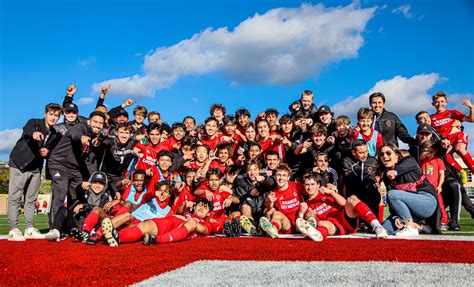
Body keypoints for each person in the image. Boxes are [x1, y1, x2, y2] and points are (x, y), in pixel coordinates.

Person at [8, 103, 62, 241]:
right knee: (15, 197)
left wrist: (48, 151)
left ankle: (29, 228)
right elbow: (27, 129)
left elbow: (55, 151)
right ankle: (13, 229)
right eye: (51, 114)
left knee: (31, 199)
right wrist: (34, 133)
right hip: (20, 163)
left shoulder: (55, 134)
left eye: (56, 115)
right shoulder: (35, 123)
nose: (53, 117)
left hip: (35, 168)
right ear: (45, 113)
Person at [47, 111, 106, 229]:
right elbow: (76, 135)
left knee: (76, 196)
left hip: (75, 169)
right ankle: (54, 228)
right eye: (95, 121)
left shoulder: (96, 137)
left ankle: (70, 226)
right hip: (59, 164)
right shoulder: (80, 127)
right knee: (61, 191)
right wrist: (85, 139)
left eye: (100, 123)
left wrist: (91, 178)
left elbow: (89, 161)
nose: (98, 125)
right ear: (89, 121)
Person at [296, 173, 387, 241]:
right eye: (307, 185)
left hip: (345, 218)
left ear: (318, 185)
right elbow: (300, 226)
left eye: (312, 184)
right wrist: (301, 213)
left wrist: (332, 192)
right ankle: (317, 235)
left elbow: (344, 203)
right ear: (304, 186)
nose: (310, 187)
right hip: (331, 226)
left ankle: (377, 226)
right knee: (322, 224)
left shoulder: (327, 193)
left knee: (352, 199)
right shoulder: (306, 205)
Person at [379, 144, 439, 237]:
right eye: (382, 154)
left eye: (388, 153)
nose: (385, 156)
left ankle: (410, 227)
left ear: (397, 155)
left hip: (427, 202)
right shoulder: (387, 177)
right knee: (385, 228)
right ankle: (419, 226)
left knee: (392, 194)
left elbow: (404, 166)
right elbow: (393, 203)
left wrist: (395, 172)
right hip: (409, 209)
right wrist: (396, 217)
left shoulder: (409, 161)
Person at [101, 198, 214, 246]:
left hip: (174, 232)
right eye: (200, 205)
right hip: (165, 223)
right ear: (194, 207)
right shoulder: (185, 214)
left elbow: (203, 230)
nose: (201, 208)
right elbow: (179, 211)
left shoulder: (206, 222)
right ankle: (116, 237)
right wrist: (184, 206)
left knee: (193, 223)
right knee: (142, 224)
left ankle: (157, 240)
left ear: (208, 213)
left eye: (205, 207)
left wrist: (186, 220)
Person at [44, 171, 112, 241]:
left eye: (101, 183)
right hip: (78, 224)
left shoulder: (107, 197)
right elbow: (77, 191)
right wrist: (81, 186)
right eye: (95, 182)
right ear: (90, 183)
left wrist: (85, 206)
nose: (97, 186)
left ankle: (88, 234)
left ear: (105, 185)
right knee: (63, 209)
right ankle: (55, 231)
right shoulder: (85, 192)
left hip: (94, 226)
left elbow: (101, 210)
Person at [430, 92, 474, 172]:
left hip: (457, 135)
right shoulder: (431, 118)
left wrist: (471, 107)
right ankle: (461, 172)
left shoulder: (452, 113)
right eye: (437, 102)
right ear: (433, 104)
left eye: (442, 101)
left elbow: (471, 120)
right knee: (444, 155)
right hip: (446, 141)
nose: (439, 104)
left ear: (446, 102)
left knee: (460, 149)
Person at [260, 164, 305, 238]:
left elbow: (311, 191)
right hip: (286, 223)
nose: (281, 178)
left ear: (288, 177)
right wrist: (269, 201)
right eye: (279, 175)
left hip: (300, 221)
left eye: (284, 175)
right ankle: (272, 230)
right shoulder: (273, 193)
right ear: (274, 176)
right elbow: (269, 207)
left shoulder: (297, 186)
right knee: (272, 212)